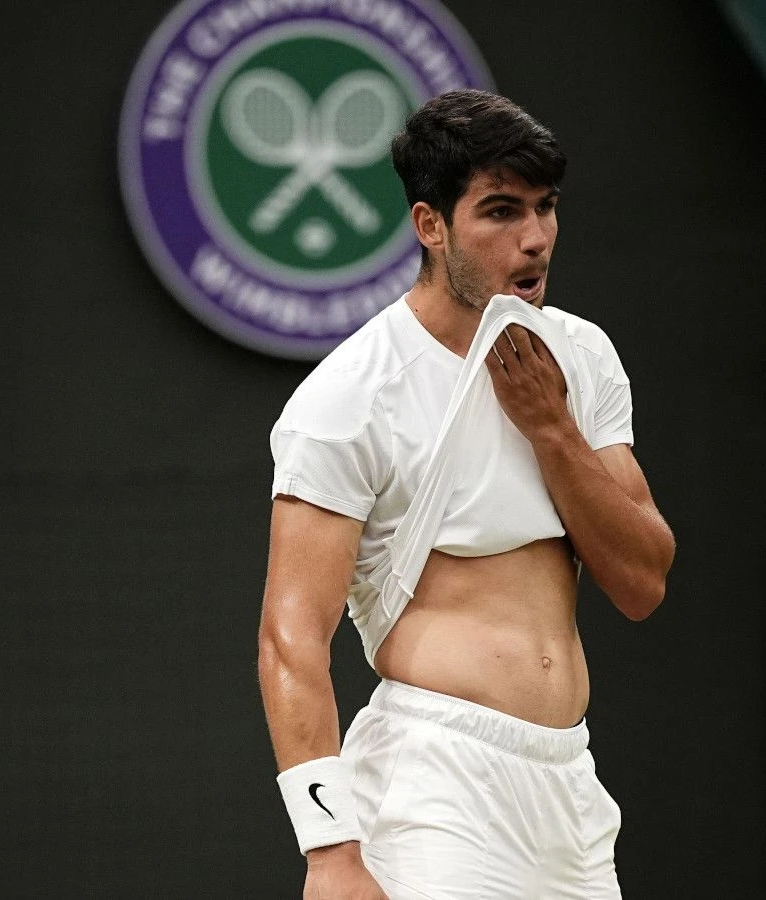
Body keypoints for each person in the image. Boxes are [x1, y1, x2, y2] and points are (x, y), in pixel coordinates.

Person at [257, 89, 675, 900]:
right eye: (501, 212)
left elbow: (642, 581)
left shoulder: (581, 359)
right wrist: (330, 851)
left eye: (546, 208)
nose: (534, 240)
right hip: (434, 783)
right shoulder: (347, 398)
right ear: (430, 225)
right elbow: (290, 638)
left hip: (571, 793)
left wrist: (552, 429)